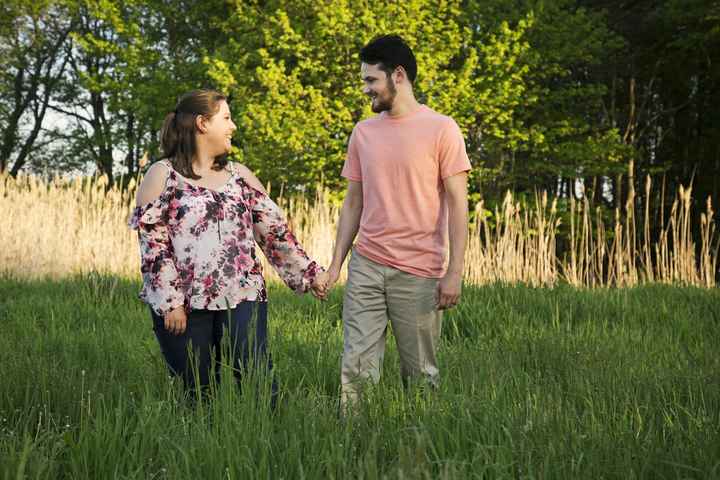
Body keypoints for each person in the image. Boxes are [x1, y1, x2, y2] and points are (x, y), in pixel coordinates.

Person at [129, 89, 328, 405]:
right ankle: (204, 445)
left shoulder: (240, 176)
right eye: (226, 118)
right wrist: (170, 303)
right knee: (197, 389)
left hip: (242, 296)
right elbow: (154, 245)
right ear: (202, 124)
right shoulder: (161, 174)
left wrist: (310, 273)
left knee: (257, 379)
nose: (233, 126)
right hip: (185, 304)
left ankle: (267, 433)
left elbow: (275, 234)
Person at [325, 35, 471, 407]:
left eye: (371, 80)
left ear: (398, 75)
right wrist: (335, 265)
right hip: (367, 266)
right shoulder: (363, 133)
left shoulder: (442, 129)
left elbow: (458, 204)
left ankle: (420, 448)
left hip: (420, 271)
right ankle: (353, 446)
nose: (365, 89)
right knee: (356, 367)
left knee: (420, 373)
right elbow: (352, 204)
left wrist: (454, 272)